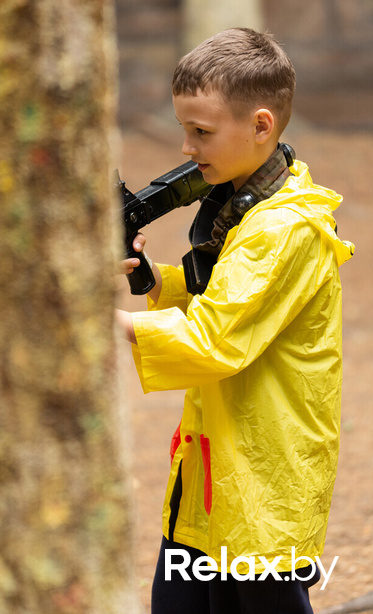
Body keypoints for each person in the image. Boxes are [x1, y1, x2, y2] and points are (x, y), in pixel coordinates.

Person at [116, 27, 355, 614]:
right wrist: (150, 279)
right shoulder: (241, 205)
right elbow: (219, 301)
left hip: (262, 476)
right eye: (184, 130)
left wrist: (110, 325)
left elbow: (215, 338)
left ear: (261, 126)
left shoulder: (283, 230)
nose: (187, 149)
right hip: (215, 465)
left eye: (201, 132)